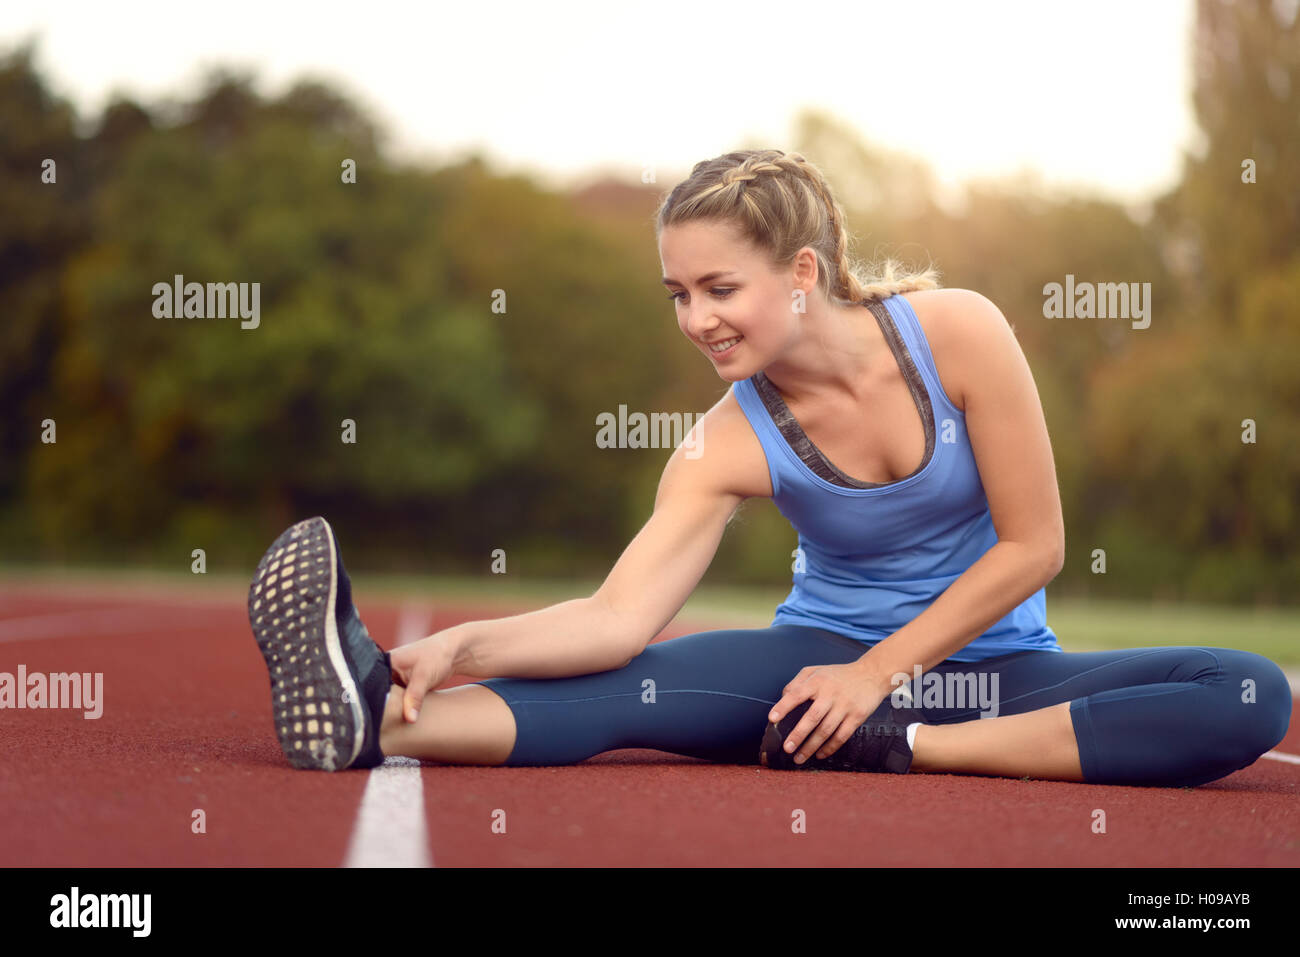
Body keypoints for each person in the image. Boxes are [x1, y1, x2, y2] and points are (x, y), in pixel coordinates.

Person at [249, 148, 1291, 786]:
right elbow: (620, 617)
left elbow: (1036, 546)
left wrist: (882, 692)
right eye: (676, 295)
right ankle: (373, 715)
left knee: (1242, 696)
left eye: (717, 288)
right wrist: (466, 648)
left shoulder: (961, 334)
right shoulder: (726, 440)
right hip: (809, 664)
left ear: (801, 274)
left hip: (987, 675)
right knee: (632, 691)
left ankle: (904, 750)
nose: (695, 319)